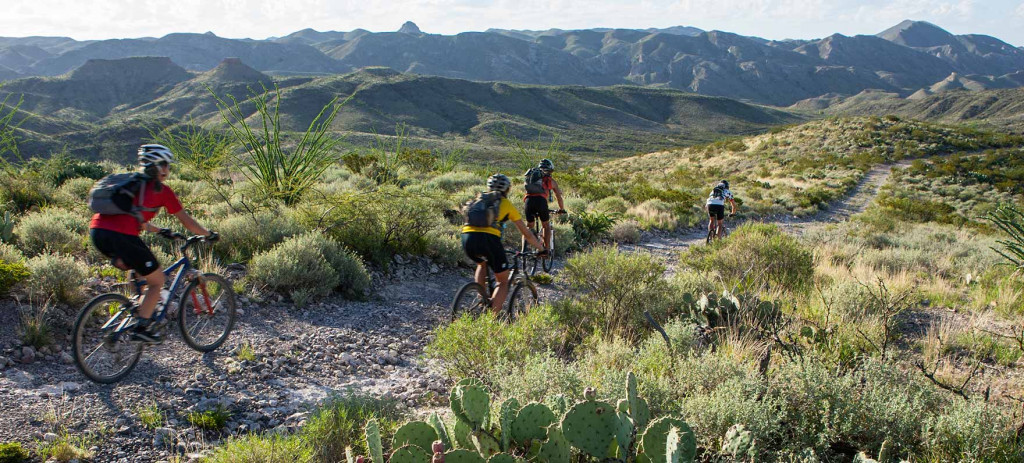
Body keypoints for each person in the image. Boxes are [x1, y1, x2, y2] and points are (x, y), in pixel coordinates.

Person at [89, 144, 218, 344]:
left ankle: (138, 307)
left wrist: (161, 231)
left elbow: (136, 219)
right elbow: (187, 221)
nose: (168, 169)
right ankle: (142, 327)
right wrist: (208, 234)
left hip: (98, 233)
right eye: (165, 164)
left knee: (141, 272)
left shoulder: (133, 186)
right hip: (122, 236)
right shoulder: (162, 191)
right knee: (157, 280)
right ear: (157, 166)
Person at [462, 173, 547, 313]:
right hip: (488, 240)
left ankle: (481, 297)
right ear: (507, 190)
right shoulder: (505, 204)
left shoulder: (478, 199)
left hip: (467, 237)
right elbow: (527, 234)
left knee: (481, 263)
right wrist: (541, 249)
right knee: (502, 281)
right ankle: (491, 319)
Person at [522, 158, 566, 252]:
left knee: (529, 226)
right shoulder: (550, 180)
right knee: (546, 225)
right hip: (541, 201)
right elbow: (558, 196)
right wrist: (561, 209)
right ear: (550, 170)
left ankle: (523, 250)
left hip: (528, 201)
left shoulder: (531, 177)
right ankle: (546, 250)